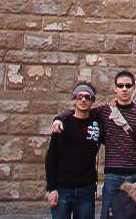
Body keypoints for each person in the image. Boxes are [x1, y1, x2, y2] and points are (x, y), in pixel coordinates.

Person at [52, 70, 136, 219]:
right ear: (115, 89)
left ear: (133, 87)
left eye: (128, 85)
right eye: (120, 86)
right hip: (112, 177)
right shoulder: (105, 111)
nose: (124, 89)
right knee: (108, 215)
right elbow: (80, 110)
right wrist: (59, 118)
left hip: (134, 175)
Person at [45, 82, 103, 219]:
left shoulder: (98, 123)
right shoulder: (62, 124)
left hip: (86, 189)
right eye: (79, 96)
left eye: (87, 97)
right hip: (62, 189)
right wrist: (51, 189)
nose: (83, 100)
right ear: (74, 99)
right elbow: (51, 158)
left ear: (92, 101)